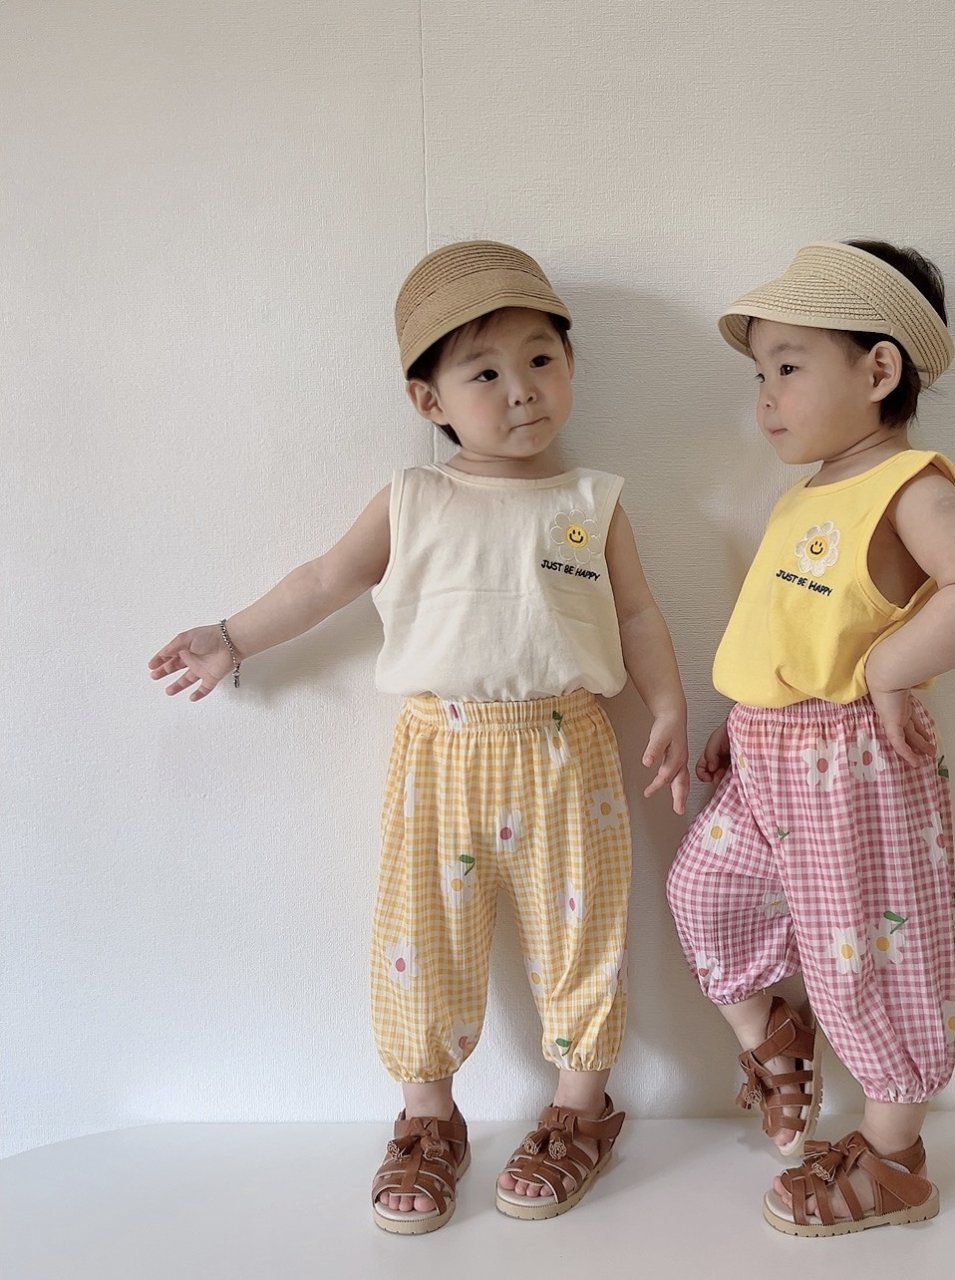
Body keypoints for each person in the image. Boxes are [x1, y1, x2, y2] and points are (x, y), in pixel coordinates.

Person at [148, 240, 689, 1231]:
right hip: (439, 752)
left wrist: (667, 704)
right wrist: (232, 636)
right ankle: (428, 1117)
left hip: (566, 747)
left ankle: (580, 1109)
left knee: (583, 930)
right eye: (485, 372)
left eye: (541, 359)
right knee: (421, 934)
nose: (521, 390)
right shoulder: (414, 498)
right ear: (428, 398)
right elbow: (324, 580)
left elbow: (638, 614)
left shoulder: (591, 502)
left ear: (570, 365)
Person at [666, 239, 955, 1236]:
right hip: (770, 754)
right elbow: (797, 631)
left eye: (786, 366)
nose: (765, 398)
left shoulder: (908, 484)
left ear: (877, 371)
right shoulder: (805, 494)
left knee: (863, 956)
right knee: (703, 890)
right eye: (758, 375)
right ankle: (773, 1031)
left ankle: (896, 1153)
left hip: (848, 765)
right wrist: (744, 717)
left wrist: (889, 670)